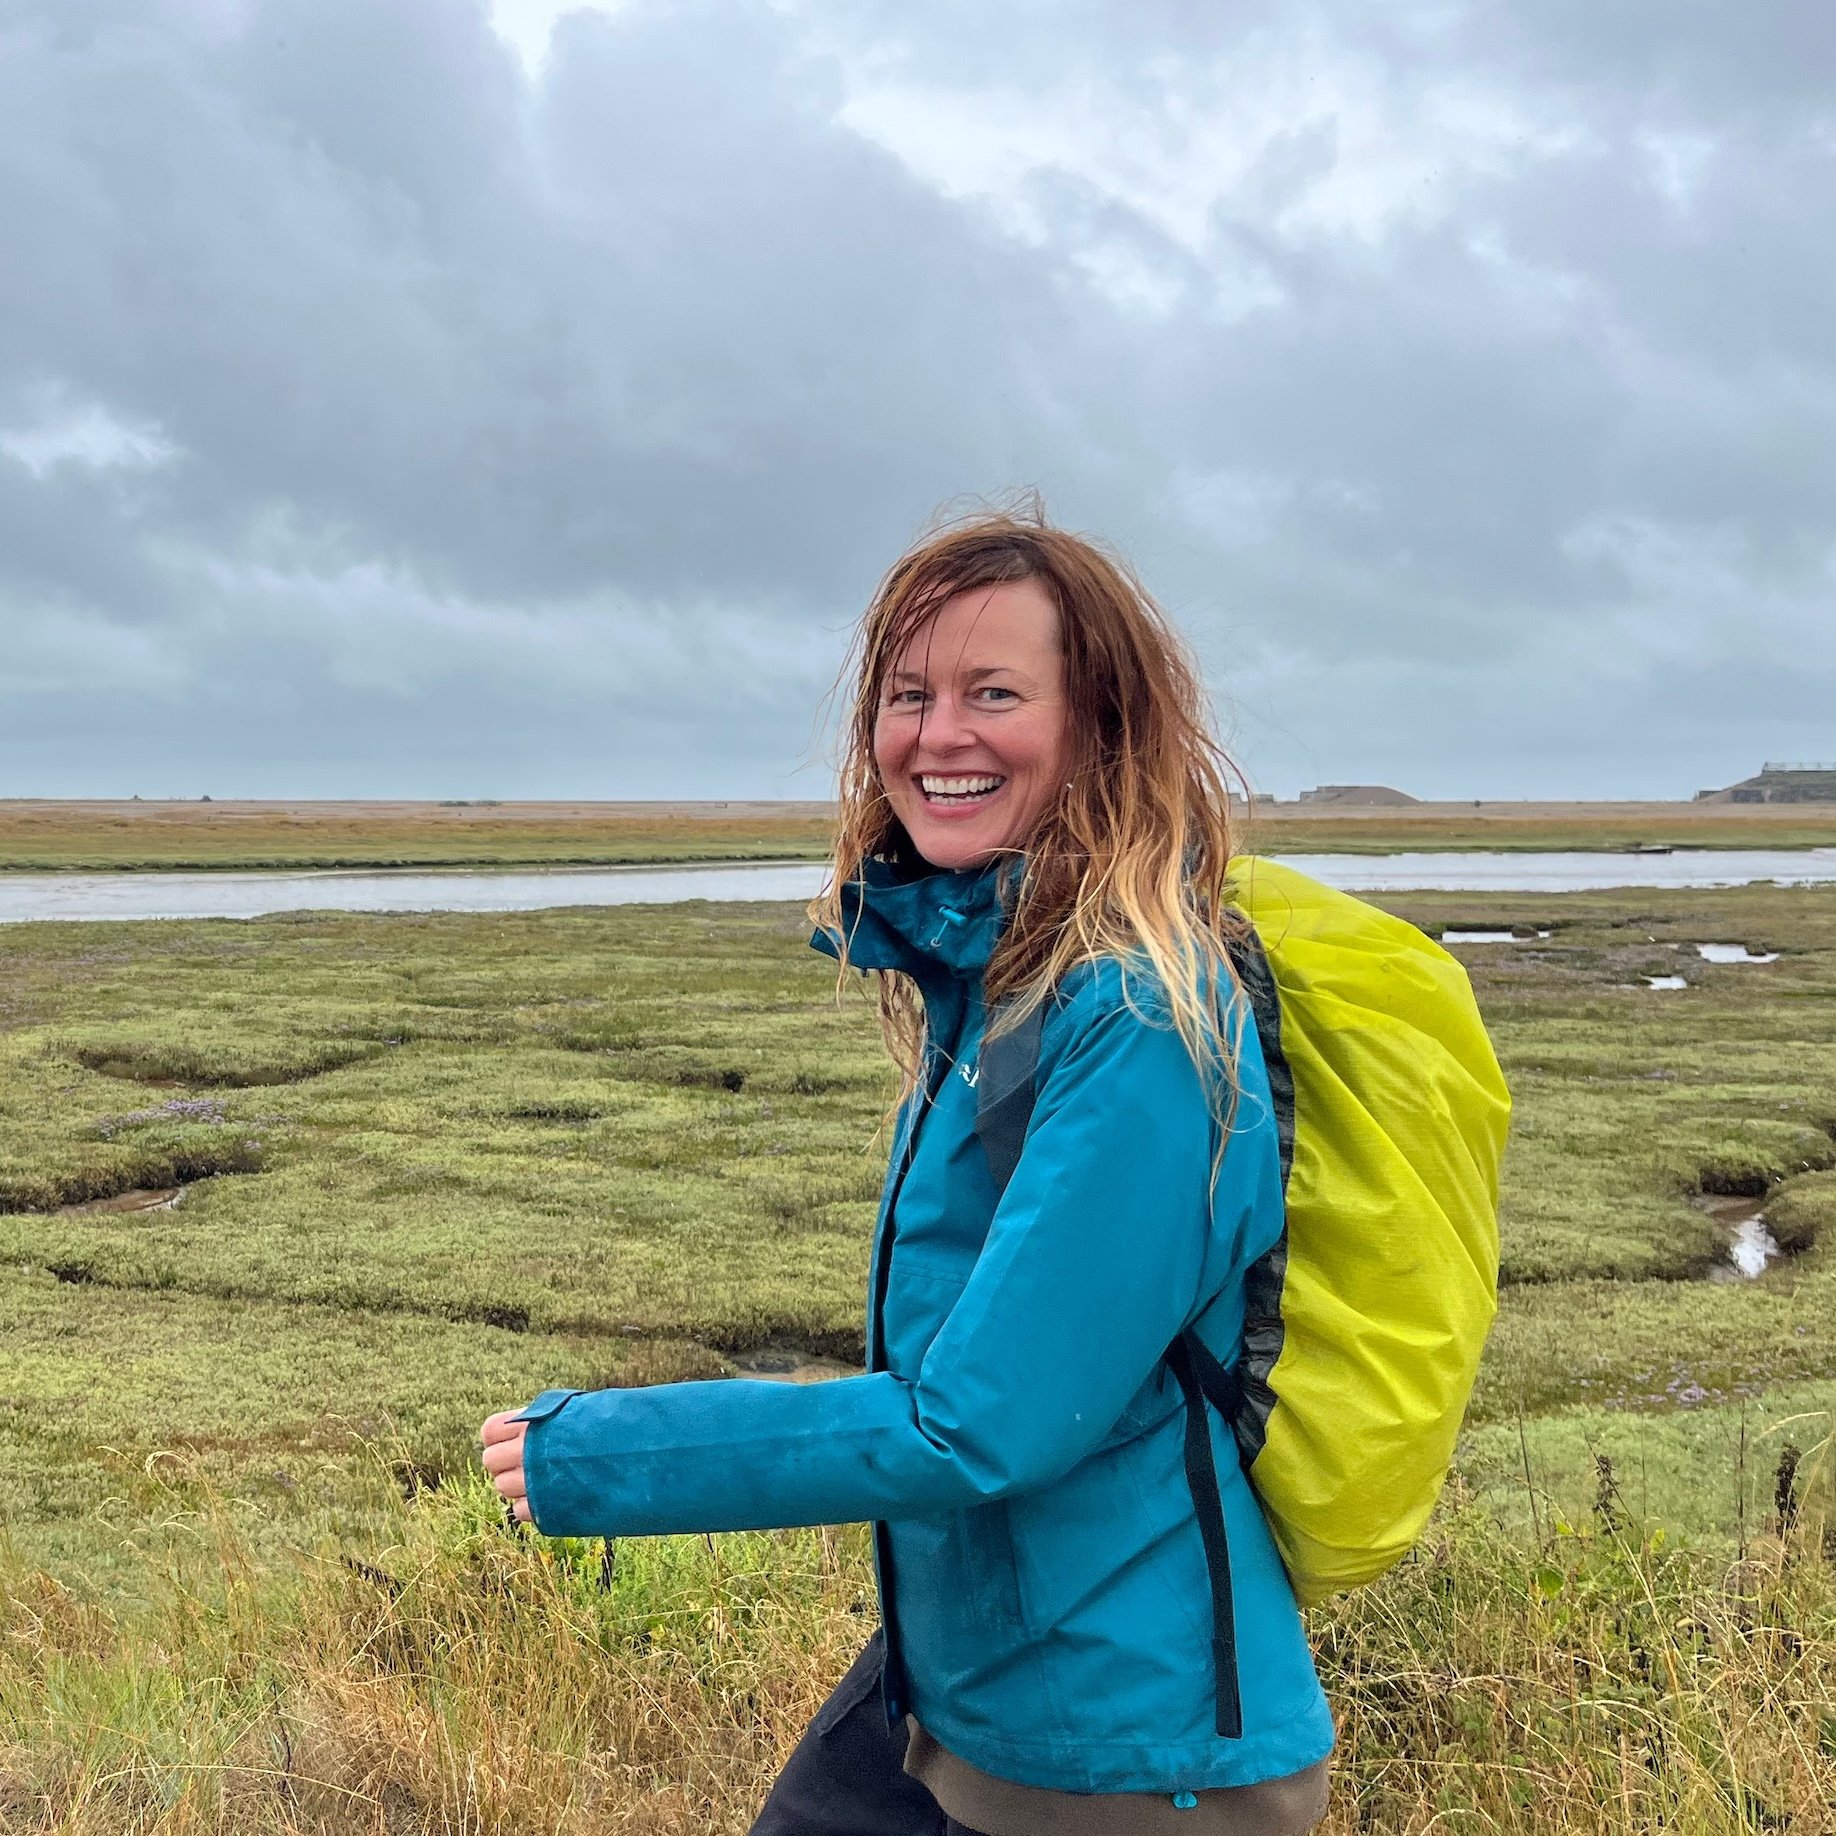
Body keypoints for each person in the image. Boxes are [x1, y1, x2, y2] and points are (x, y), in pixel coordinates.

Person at [482, 509, 1334, 1834]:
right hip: (973, 1687)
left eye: (995, 693)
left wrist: (603, 1456)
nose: (938, 737)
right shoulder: (996, 987)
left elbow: (979, 1421)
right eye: (908, 695)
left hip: (1124, 1751)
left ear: (1101, 724)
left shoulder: (1142, 1022)